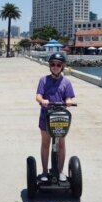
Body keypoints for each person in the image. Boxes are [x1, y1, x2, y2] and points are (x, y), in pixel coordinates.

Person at [35, 53, 75, 182]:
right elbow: (38, 96)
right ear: (50, 66)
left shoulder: (66, 82)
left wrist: (68, 101)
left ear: (62, 66)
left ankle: (60, 171)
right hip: (45, 117)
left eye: (58, 64)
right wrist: (43, 100)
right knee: (45, 144)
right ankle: (45, 171)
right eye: (53, 64)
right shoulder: (43, 80)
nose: (55, 67)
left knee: (61, 145)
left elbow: (68, 97)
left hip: (60, 118)